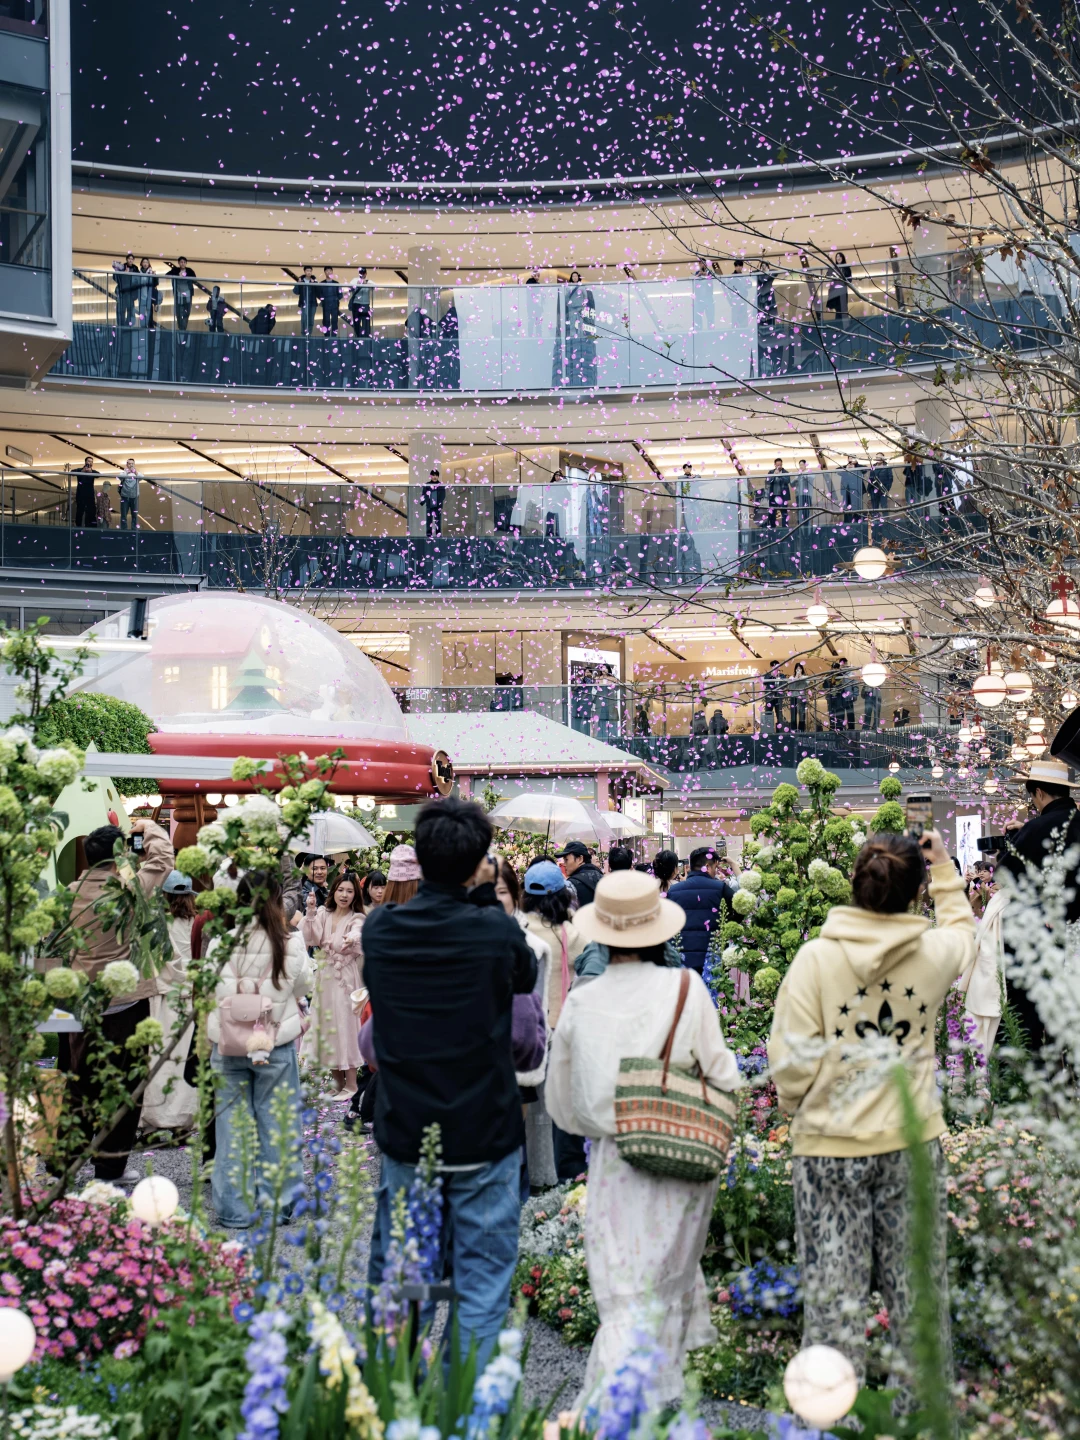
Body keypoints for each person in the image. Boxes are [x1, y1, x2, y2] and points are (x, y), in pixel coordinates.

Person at [768, 830, 974, 1390]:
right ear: (915, 892)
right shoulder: (931, 955)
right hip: (911, 1146)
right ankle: (922, 1421)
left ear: (854, 883)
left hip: (828, 1149)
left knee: (832, 1311)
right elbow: (964, 933)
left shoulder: (816, 959)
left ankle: (832, 1421)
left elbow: (790, 1063)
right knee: (917, 1304)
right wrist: (945, 869)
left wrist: (795, 1107)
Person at [546, 870, 740, 1407]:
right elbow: (724, 1075)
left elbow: (561, 1104)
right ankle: (654, 1400)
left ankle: (616, 1409)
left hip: (615, 1163)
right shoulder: (686, 989)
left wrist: (606, 1119)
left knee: (624, 1294)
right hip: (682, 1154)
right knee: (666, 1278)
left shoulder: (582, 1001)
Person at [362, 798, 537, 1366]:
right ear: (479, 863)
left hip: (408, 1131)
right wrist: (483, 895)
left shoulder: (383, 929)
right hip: (484, 1131)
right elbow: (525, 974)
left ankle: (394, 1395)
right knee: (480, 1286)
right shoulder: (495, 932)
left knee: (406, 1283)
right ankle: (463, 1404)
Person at [58, 816, 175, 1183]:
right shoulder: (128, 890)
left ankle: (63, 1166)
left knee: (79, 1085)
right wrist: (146, 827)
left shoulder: (70, 893)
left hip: (82, 1003)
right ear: (118, 853)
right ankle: (109, 1169)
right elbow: (163, 858)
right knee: (126, 1086)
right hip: (126, 1003)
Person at [208, 872, 312, 1229]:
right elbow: (304, 985)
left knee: (231, 1129)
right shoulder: (290, 943)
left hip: (228, 1043)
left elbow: (210, 989)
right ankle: (277, 1206)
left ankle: (234, 1210)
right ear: (277, 899)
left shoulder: (220, 942)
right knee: (277, 1126)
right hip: (274, 1041)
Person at [995, 758, 1080, 1051]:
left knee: (1027, 1013)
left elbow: (1004, 875)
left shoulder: (1036, 827)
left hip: (1038, 936)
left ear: (1039, 793)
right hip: (1074, 935)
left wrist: (1020, 836)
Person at [521, 859, 586, 1180]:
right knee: (558, 1106)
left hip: (526, 1031)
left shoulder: (518, 929)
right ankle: (553, 1173)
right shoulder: (570, 933)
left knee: (530, 1107)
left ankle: (532, 1173)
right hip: (561, 1028)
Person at [494, 859, 556, 1192]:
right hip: (475, 1063)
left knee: (511, 1146)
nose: (493, 898)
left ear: (515, 894)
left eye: (501, 891)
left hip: (517, 1058)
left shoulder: (532, 946)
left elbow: (536, 1009)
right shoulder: (462, 940)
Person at [301, 869, 365, 1100]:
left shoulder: (357, 918)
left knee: (346, 1024)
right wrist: (310, 911)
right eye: (340, 890)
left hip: (346, 978)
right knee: (327, 1024)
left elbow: (359, 934)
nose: (344, 895)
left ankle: (352, 1083)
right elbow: (310, 938)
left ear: (355, 895)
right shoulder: (323, 913)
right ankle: (336, 1082)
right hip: (325, 977)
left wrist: (353, 938)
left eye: (349, 891)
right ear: (334, 891)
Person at [143, 870, 199, 1133]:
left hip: (165, 998)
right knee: (188, 1058)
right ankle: (186, 1119)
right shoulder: (199, 924)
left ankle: (157, 1117)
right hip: (193, 998)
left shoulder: (157, 924)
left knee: (162, 1059)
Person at [667, 846, 736, 974]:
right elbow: (740, 907)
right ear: (707, 867)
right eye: (715, 868)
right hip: (713, 956)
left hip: (682, 957)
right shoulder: (720, 888)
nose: (716, 872)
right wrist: (728, 924)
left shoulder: (673, 891)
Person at [553, 840, 603, 907]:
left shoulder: (571, 885)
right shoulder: (601, 877)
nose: (564, 864)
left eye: (566, 860)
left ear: (580, 859)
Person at [167, 257, 196, 331]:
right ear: (179, 263)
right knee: (178, 313)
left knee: (187, 312)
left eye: (184, 262)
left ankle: (183, 328)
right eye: (181, 262)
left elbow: (195, 279)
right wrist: (177, 276)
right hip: (178, 295)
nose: (182, 264)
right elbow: (167, 275)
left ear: (186, 263)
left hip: (188, 295)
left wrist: (186, 276)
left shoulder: (189, 270)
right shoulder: (175, 270)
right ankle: (180, 328)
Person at [113, 253, 139, 327]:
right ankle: (121, 325)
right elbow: (116, 277)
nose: (130, 260)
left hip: (130, 293)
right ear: (127, 259)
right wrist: (124, 273)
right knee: (121, 310)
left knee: (130, 310)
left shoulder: (135, 268)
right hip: (123, 292)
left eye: (132, 259)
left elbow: (137, 280)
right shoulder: (122, 267)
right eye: (129, 259)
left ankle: (129, 325)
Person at [825, 252, 852, 322]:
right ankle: (839, 323)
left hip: (842, 291)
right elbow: (828, 275)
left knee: (843, 308)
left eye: (840, 256)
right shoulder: (834, 268)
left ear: (842, 258)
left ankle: (843, 324)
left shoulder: (846, 267)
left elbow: (849, 279)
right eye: (837, 257)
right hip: (835, 291)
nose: (838, 258)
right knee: (838, 309)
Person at [766, 458, 791, 530]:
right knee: (772, 513)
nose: (779, 466)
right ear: (775, 465)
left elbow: (787, 481)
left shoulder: (785, 472)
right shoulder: (771, 472)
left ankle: (785, 529)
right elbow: (767, 481)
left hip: (783, 496)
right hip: (773, 496)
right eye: (777, 465)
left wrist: (780, 475)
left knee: (784, 513)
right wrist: (774, 475)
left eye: (780, 464)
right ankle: (773, 528)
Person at [422, 468, 446, 537]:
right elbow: (424, 494)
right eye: (433, 475)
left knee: (438, 521)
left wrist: (438, 503)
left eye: (436, 475)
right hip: (429, 506)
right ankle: (429, 534)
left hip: (438, 506)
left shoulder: (441, 485)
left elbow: (443, 496)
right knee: (429, 520)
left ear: (438, 476)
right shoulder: (427, 485)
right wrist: (424, 502)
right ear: (431, 476)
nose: (435, 477)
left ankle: (438, 533)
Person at [318, 266, 343, 335]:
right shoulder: (321, 284)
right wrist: (324, 300)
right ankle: (326, 336)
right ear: (324, 272)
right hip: (326, 304)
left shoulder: (336, 283)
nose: (328, 272)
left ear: (332, 272)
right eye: (327, 271)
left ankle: (334, 336)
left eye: (330, 271)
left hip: (335, 305)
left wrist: (335, 299)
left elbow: (340, 295)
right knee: (326, 321)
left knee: (334, 321)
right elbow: (319, 294)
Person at [73, 458, 97, 528]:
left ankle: (90, 527)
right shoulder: (79, 470)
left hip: (90, 496)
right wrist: (82, 471)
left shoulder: (93, 472)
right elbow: (72, 472)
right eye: (89, 461)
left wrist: (91, 472)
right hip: (80, 495)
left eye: (92, 462)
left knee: (91, 512)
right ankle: (78, 527)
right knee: (79, 511)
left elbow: (99, 475)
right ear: (85, 462)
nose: (90, 463)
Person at [294, 265, 318, 336]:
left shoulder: (314, 281)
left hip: (312, 303)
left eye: (310, 271)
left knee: (311, 320)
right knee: (304, 319)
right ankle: (303, 335)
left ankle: (309, 335)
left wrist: (314, 284)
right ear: (304, 271)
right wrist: (298, 283)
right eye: (307, 271)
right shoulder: (301, 280)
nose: (309, 272)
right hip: (304, 302)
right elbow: (296, 291)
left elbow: (318, 292)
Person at [349, 266, 372, 336]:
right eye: (361, 273)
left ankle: (366, 337)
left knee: (366, 322)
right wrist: (356, 285)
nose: (362, 274)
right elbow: (349, 288)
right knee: (356, 322)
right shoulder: (354, 280)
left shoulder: (369, 281)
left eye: (363, 273)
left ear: (366, 273)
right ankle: (358, 337)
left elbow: (375, 286)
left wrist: (366, 284)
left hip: (365, 304)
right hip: (356, 304)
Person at [118, 458, 140, 531]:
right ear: (127, 465)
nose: (131, 465)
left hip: (134, 497)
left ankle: (134, 530)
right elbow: (120, 477)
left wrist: (135, 472)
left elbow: (142, 477)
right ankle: (124, 530)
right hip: (125, 497)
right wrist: (127, 472)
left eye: (132, 463)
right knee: (123, 515)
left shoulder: (137, 473)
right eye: (129, 463)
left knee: (135, 515)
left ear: (134, 464)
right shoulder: (123, 473)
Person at [138, 258, 159, 327]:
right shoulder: (138, 273)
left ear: (149, 264)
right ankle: (143, 327)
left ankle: (150, 328)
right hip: (141, 297)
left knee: (150, 314)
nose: (145, 264)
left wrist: (155, 276)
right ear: (141, 263)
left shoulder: (151, 273)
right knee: (142, 314)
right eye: (144, 262)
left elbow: (156, 284)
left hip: (149, 297)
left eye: (147, 262)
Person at [789, 661, 809, 731]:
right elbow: (790, 687)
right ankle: (793, 730)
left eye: (800, 669)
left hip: (802, 697)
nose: (798, 670)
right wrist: (796, 678)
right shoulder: (791, 677)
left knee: (802, 714)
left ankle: (801, 730)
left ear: (802, 669)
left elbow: (807, 684)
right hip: (793, 697)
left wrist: (801, 678)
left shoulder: (805, 677)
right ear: (795, 670)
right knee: (793, 715)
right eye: (797, 669)